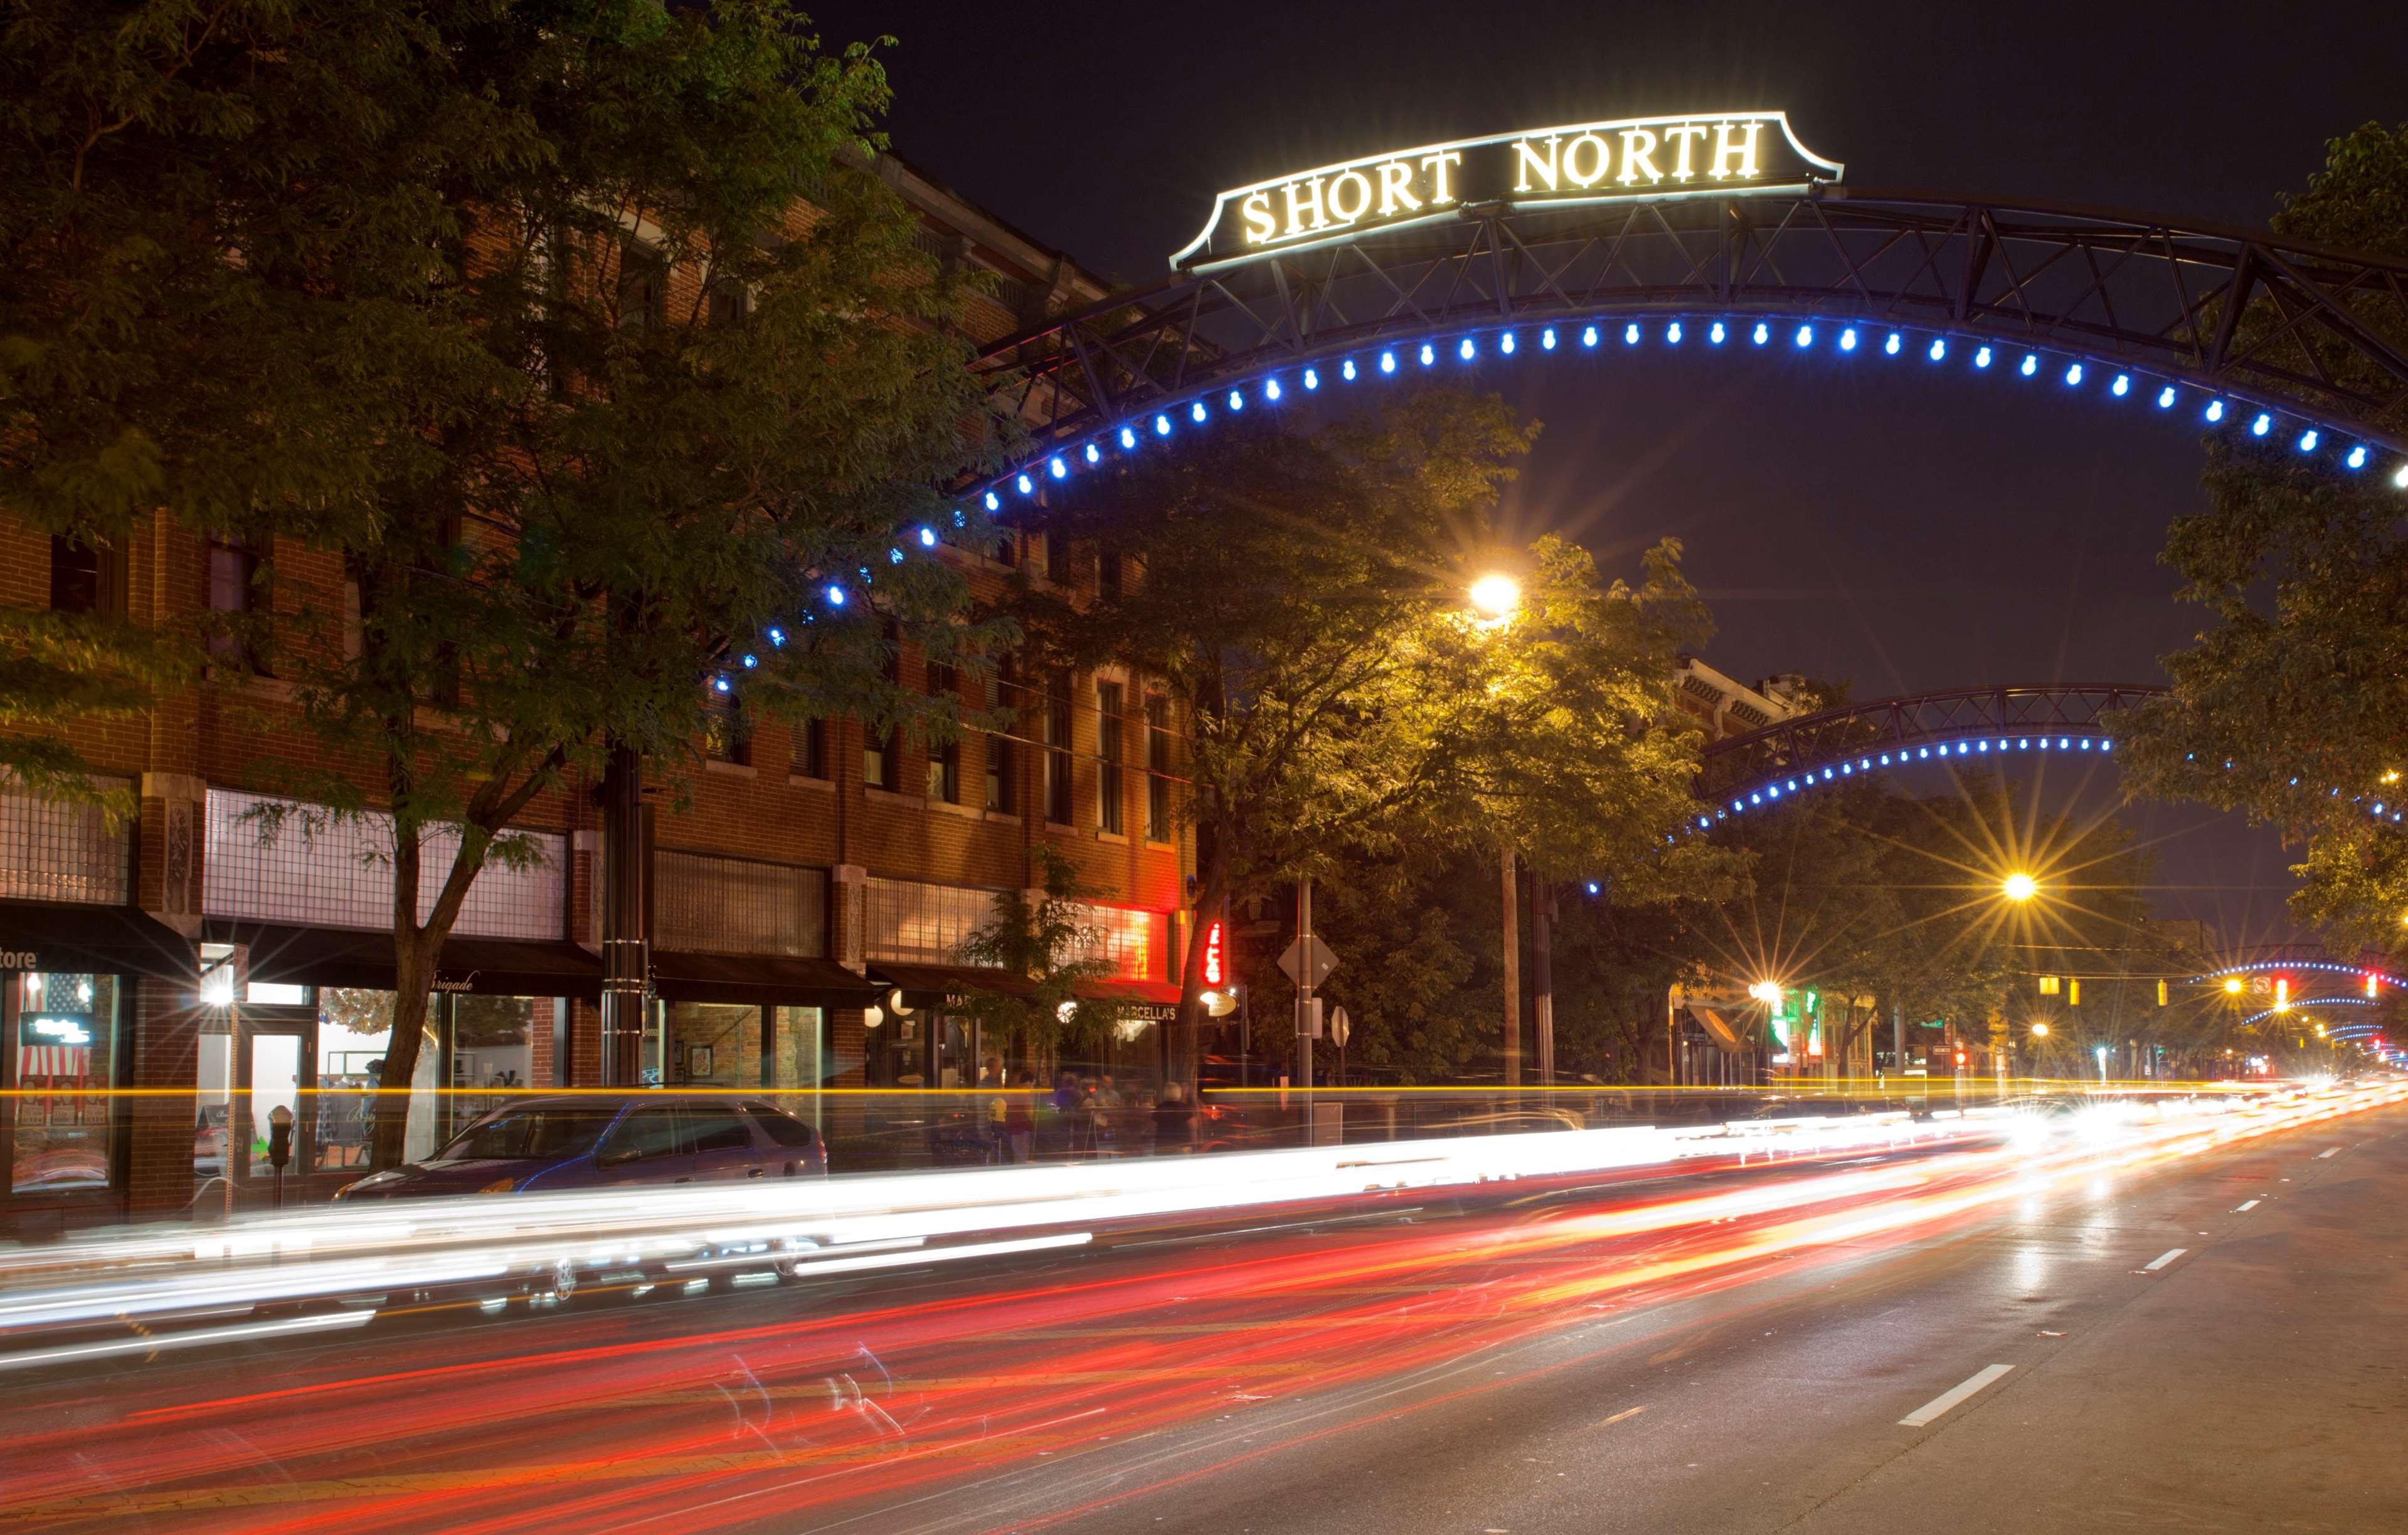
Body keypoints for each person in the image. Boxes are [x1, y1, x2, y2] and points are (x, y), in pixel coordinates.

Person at [1152, 1081, 1195, 1154]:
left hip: (1163, 1146)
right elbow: (1193, 1126)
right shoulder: (1184, 1108)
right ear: (1179, 1093)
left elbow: (1152, 1127)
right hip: (1183, 1146)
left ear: (1165, 1093)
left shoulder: (1160, 1107)